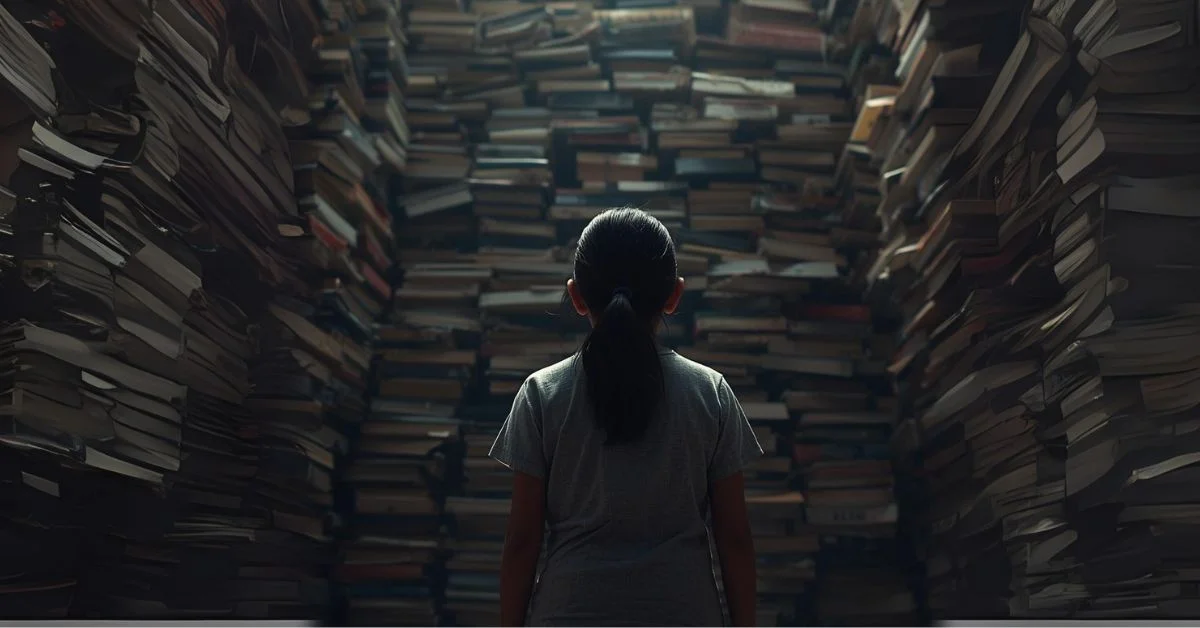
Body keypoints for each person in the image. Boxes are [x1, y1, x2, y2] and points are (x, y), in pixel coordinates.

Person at [489, 207, 763, 627]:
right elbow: (735, 539)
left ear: (576, 296)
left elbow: (522, 541)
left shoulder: (541, 394)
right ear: (674, 295)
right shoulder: (711, 393)